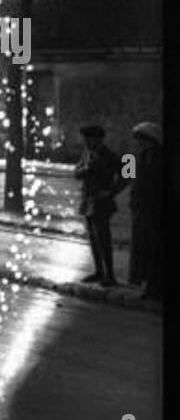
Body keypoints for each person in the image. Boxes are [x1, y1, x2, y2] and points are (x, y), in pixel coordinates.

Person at [73, 123, 128, 286]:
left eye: (89, 139)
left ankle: (110, 275)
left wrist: (111, 191)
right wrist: (84, 170)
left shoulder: (110, 156)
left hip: (102, 202)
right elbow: (76, 172)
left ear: (98, 139)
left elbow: (127, 175)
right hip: (88, 200)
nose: (86, 143)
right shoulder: (87, 154)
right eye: (85, 140)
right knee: (93, 237)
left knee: (103, 238)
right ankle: (98, 271)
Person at [127, 121, 163, 300]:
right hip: (140, 208)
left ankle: (154, 286)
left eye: (142, 140)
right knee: (141, 247)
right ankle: (144, 283)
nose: (139, 144)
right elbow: (128, 178)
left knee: (154, 249)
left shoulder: (159, 157)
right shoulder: (134, 157)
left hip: (155, 209)